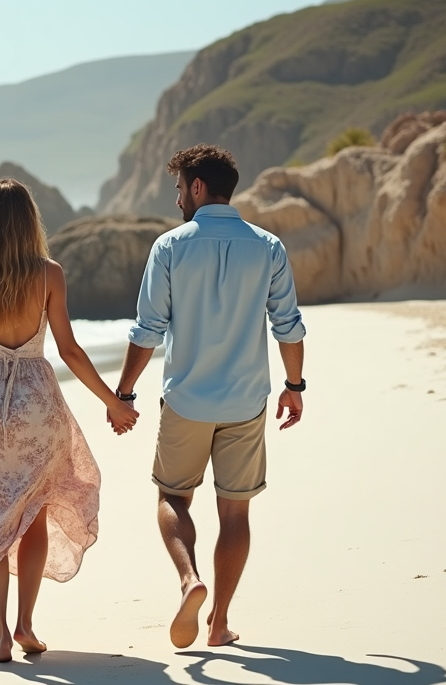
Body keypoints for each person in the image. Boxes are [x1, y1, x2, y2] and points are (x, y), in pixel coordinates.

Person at [0, 178, 138, 663]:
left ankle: (0, 637)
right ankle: (26, 623)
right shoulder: (49, 274)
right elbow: (69, 349)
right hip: (38, 405)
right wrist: (112, 401)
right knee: (35, 512)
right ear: (29, 223)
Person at [114, 144, 307, 649]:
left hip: (187, 401)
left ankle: (188, 580)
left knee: (173, 498)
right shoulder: (268, 247)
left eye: (180, 188)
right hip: (246, 402)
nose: (178, 198)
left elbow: (148, 330)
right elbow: (288, 326)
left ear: (198, 187)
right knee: (235, 512)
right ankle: (218, 623)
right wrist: (294, 387)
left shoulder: (169, 247)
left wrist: (125, 392)